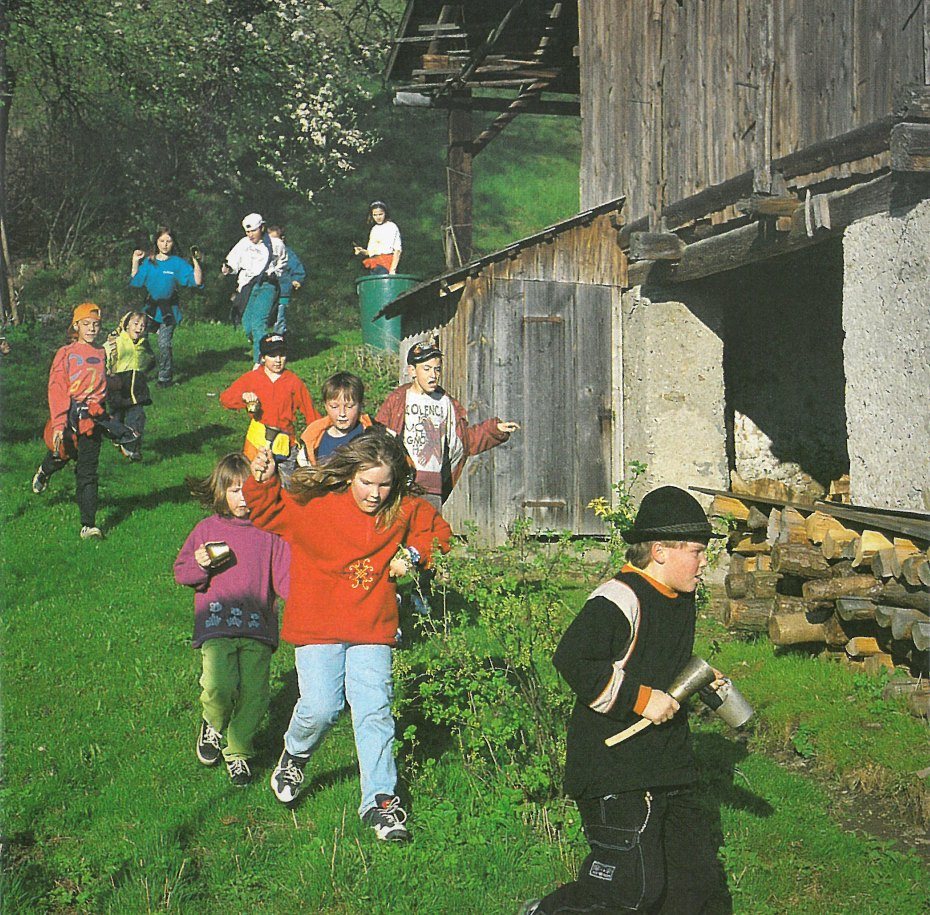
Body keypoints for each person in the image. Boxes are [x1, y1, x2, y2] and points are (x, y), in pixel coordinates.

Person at [519, 486, 725, 915]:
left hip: (668, 763)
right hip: (613, 767)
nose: (705, 562)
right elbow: (574, 659)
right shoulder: (619, 598)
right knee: (631, 889)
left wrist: (696, 679)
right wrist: (641, 698)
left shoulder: (681, 597)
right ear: (660, 551)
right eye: (697, 551)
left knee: (698, 885)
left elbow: (657, 657)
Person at [244, 430, 452, 841]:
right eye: (366, 483)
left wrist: (412, 555)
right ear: (349, 475)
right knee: (321, 705)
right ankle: (295, 755)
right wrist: (263, 479)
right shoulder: (315, 506)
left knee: (374, 709)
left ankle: (380, 801)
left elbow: (439, 533)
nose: (375, 494)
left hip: (372, 626)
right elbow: (266, 512)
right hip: (318, 622)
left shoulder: (401, 510)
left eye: (384, 484)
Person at [174, 453, 290, 788]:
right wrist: (200, 564)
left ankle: (237, 751)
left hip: (258, 627)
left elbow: (286, 581)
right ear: (221, 492)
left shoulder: (270, 532)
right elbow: (183, 572)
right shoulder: (208, 528)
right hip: (217, 623)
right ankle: (213, 723)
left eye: (248, 490)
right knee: (219, 685)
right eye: (235, 490)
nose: (243, 498)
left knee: (255, 695)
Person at [375, 338, 520, 511]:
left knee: (429, 534)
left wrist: (494, 430)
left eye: (437, 369)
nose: (433, 375)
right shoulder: (398, 399)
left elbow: (466, 441)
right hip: (402, 483)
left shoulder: (446, 403)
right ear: (412, 371)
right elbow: (378, 436)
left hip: (433, 486)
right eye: (426, 369)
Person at [31, 303, 109, 539]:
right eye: (86, 324)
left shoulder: (102, 353)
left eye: (95, 325)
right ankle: (45, 470)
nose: (92, 329)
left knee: (87, 471)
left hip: (92, 420)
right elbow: (57, 388)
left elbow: (105, 385)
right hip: (68, 417)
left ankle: (88, 525)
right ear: (76, 326)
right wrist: (58, 423)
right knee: (61, 455)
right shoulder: (65, 353)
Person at [219, 333, 319, 487]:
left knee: (287, 486)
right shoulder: (252, 378)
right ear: (263, 357)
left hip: (286, 443)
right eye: (272, 355)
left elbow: (310, 413)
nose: (278, 360)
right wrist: (243, 397)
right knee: (254, 483)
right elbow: (225, 398)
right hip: (257, 442)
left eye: (282, 355)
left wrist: (318, 438)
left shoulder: (293, 381)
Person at [130, 226, 203, 387]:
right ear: (156, 242)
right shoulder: (150, 262)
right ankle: (142, 366)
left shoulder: (177, 263)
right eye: (161, 241)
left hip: (168, 311)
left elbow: (196, 281)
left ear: (173, 243)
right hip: (149, 309)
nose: (165, 244)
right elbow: (136, 281)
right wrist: (135, 261)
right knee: (138, 339)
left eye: (168, 241)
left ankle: (165, 377)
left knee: (164, 344)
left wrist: (196, 261)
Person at [223, 213, 288, 365]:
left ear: (262, 228)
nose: (250, 235)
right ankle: (261, 344)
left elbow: (283, 261)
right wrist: (228, 268)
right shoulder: (243, 244)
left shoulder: (275, 244)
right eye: (247, 232)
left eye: (253, 231)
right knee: (248, 325)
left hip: (267, 285)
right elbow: (232, 261)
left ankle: (259, 362)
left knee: (259, 322)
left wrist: (274, 272)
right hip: (247, 286)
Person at [103, 311, 154, 462]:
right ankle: (119, 440)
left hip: (136, 386)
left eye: (142, 325)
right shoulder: (116, 342)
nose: (139, 328)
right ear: (126, 325)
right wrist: (105, 373)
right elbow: (103, 355)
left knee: (137, 415)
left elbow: (150, 358)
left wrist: (146, 370)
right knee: (116, 417)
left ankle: (131, 446)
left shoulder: (143, 343)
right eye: (136, 324)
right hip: (118, 386)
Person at [299, 372, 373, 466]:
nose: (342, 413)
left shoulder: (373, 435)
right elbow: (300, 477)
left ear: (360, 405)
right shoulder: (312, 440)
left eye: (349, 406)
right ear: (325, 406)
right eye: (334, 407)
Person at [266, 225, 306, 334]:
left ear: (282, 239)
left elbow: (298, 269)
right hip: (267, 291)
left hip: (283, 291)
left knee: (280, 316)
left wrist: (296, 280)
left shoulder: (288, 253)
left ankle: (279, 339)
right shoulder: (263, 253)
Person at [353, 200, 402, 275]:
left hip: (386, 264)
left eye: (380, 214)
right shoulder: (374, 229)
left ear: (385, 213)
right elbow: (370, 252)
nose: (378, 217)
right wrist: (361, 250)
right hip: (374, 265)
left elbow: (397, 250)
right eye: (375, 215)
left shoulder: (391, 226)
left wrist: (392, 270)